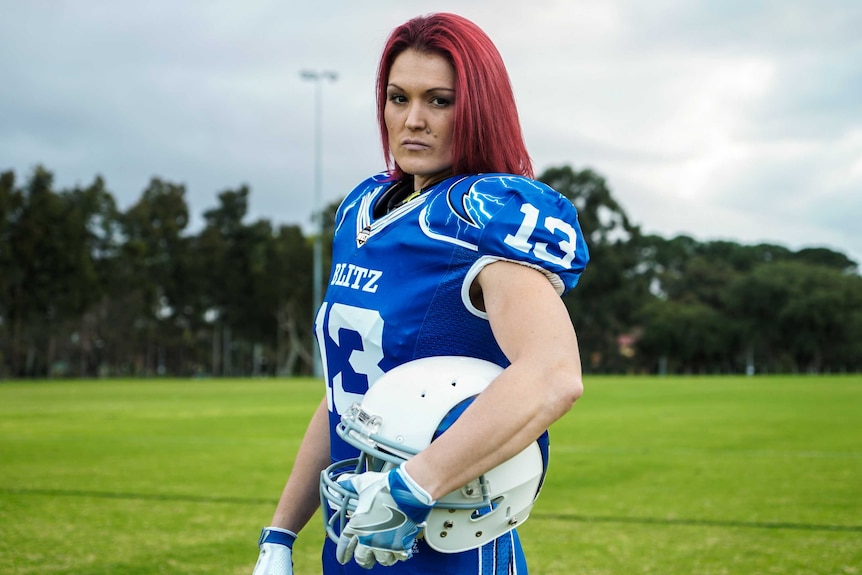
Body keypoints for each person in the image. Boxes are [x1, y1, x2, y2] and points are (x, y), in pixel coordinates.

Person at [253, 12, 589, 575]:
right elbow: (347, 399)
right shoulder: (361, 212)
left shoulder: (481, 216)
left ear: (478, 108)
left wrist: (411, 488)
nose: (413, 121)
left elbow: (555, 374)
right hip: (351, 538)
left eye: (439, 101)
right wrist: (281, 533)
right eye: (396, 97)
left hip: (444, 540)